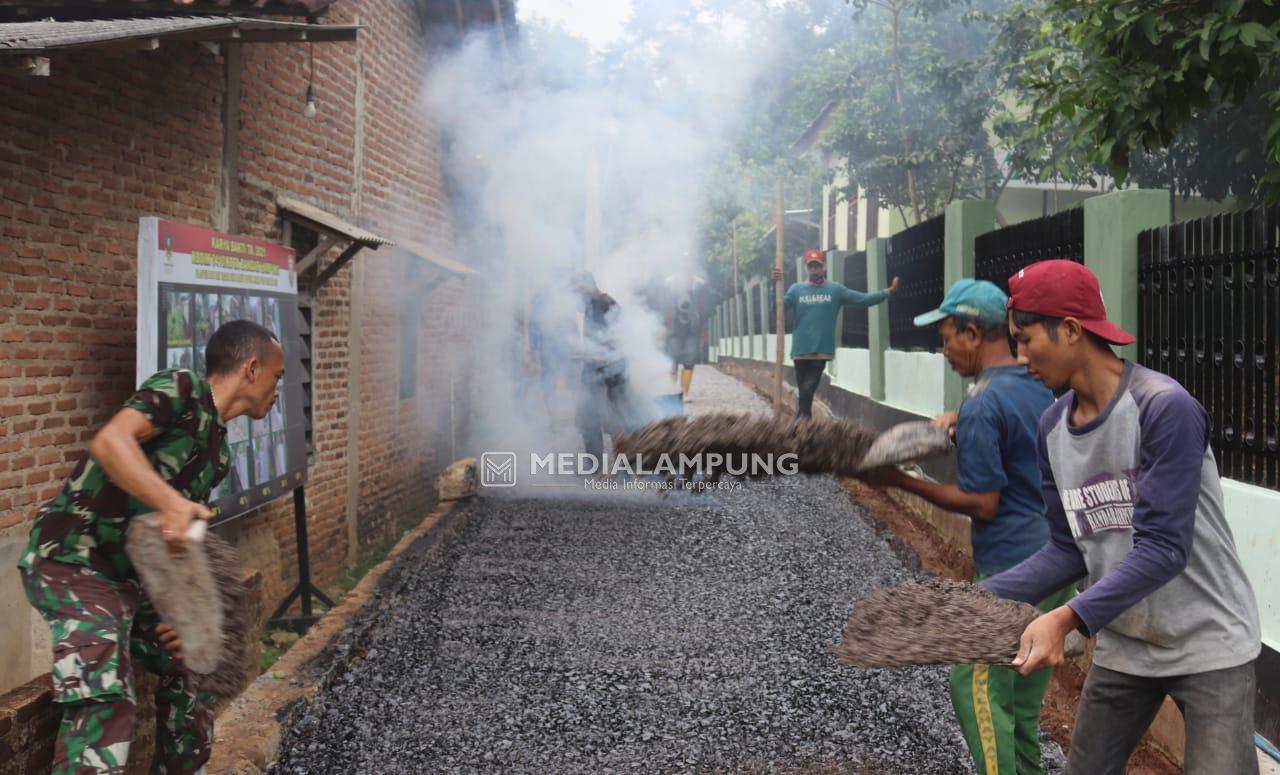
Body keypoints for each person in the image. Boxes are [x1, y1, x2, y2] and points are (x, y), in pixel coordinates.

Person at [981, 259, 1260, 775]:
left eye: (1025, 341)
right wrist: (981, 600)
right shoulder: (1051, 429)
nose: (1020, 359)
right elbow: (1068, 548)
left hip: (1208, 641)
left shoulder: (1163, 408)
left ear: (1068, 330)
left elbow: (1163, 549)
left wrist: (1065, 618)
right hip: (1126, 644)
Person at [18, 320, 285, 775]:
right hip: (73, 561)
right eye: (279, 377)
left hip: (130, 575)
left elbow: (169, 540)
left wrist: (179, 615)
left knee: (194, 663)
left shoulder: (219, 452)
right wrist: (172, 503)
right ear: (253, 369)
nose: (279, 390)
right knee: (105, 692)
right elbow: (111, 441)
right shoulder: (179, 389)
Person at [863, 279, 1072, 775]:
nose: (944, 348)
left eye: (947, 336)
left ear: (973, 333)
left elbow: (982, 503)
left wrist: (900, 480)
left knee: (973, 681)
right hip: (1058, 561)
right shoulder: (1041, 382)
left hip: (1011, 566)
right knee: (1020, 696)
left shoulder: (984, 403)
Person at [771, 248, 899, 418]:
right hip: (800, 351)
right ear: (806, 269)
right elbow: (777, 309)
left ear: (824, 267)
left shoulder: (835, 290)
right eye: (811, 266)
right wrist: (775, 287)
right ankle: (803, 427)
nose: (814, 269)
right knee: (804, 392)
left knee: (808, 388)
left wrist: (886, 293)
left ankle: (801, 424)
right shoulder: (796, 290)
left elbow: (862, 299)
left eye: (817, 266)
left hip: (821, 351)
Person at [573, 272, 630, 461]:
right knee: (588, 414)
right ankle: (593, 461)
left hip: (613, 369)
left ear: (589, 287)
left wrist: (601, 352)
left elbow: (621, 336)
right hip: (593, 367)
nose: (577, 296)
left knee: (617, 417)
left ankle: (623, 464)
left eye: (580, 290)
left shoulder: (608, 304)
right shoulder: (588, 306)